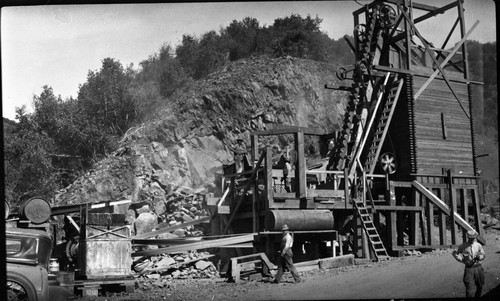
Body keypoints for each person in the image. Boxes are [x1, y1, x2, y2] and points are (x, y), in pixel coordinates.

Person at [452, 229, 485, 298]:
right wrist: (462, 260)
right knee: (469, 289)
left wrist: (480, 257)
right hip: (469, 269)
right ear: (468, 237)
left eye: (474, 238)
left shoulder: (478, 245)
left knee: (480, 286)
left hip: (478, 268)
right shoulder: (463, 246)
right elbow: (455, 253)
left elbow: (483, 254)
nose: (472, 239)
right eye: (471, 238)